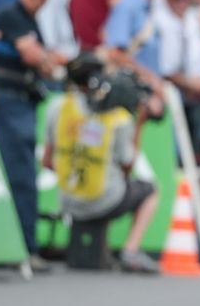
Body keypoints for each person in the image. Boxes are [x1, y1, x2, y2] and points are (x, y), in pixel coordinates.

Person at [42, 62, 160, 273]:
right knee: (149, 190)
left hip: (67, 200)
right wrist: (139, 124)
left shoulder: (58, 107)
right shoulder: (118, 118)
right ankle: (130, 251)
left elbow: (47, 162)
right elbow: (128, 166)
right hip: (104, 199)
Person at [0, 0, 65, 270]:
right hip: (9, 105)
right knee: (19, 177)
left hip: (23, 105)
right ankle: (23, 249)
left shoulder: (32, 21)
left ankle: (23, 246)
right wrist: (51, 62)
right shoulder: (12, 16)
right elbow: (35, 57)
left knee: (24, 177)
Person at [103, 0, 166, 102]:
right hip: (130, 91)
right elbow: (116, 53)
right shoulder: (128, 6)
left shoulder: (150, 6)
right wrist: (150, 80)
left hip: (144, 92)